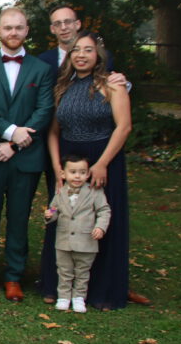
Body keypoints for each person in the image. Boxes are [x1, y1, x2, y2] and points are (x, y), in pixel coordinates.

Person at [0, 7, 55, 303]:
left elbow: (44, 110)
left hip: (26, 156)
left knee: (19, 217)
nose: (13, 32)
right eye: (8, 27)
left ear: (27, 30)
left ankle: (14, 276)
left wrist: (16, 143)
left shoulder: (41, 69)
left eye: (19, 27)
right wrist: (8, 132)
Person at [47, 32, 133, 310]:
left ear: (98, 55)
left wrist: (102, 163)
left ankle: (102, 290)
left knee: (98, 219)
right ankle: (58, 286)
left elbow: (124, 127)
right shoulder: (63, 86)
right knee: (64, 217)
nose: (81, 55)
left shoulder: (112, 85)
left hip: (101, 159)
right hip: (69, 160)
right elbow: (53, 131)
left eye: (88, 50)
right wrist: (57, 167)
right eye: (76, 50)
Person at [44, 154, 111, 313]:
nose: (77, 176)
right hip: (64, 240)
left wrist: (100, 227)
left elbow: (104, 210)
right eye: (73, 172)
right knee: (64, 270)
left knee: (82, 271)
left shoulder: (94, 191)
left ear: (88, 174)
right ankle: (63, 297)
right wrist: (49, 215)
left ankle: (79, 297)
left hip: (86, 240)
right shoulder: (60, 191)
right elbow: (54, 208)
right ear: (63, 174)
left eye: (82, 172)